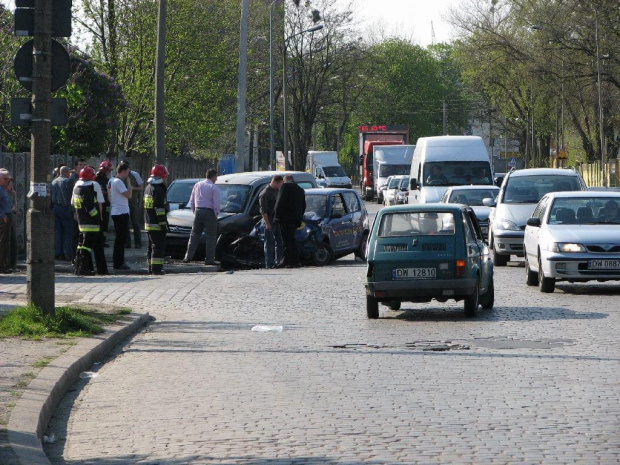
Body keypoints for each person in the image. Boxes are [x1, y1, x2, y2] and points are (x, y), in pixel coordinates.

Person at [72, 166, 108, 276]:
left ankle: (79, 267)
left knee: (81, 245)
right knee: (90, 246)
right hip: (91, 223)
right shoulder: (90, 188)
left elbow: (74, 204)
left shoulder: (77, 187)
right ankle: (87, 268)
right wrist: (99, 218)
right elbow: (94, 207)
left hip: (81, 222)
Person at [183, 168, 221, 265]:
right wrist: (216, 214)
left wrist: (194, 211)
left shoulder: (197, 185)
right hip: (209, 212)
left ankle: (187, 257)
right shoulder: (214, 188)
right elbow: (216, 203)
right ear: (213, 176)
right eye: (216, 177)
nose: (216, 179)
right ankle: (209, 259)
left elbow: (191, 200)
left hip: (198, 210)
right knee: (211, 236)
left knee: (194, 235)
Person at [274, 174, 306, 268]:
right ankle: (287, 260)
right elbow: (303, 205)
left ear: (285, 180)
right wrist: (299, 217)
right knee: (290, 239)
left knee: (287, 240)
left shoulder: (285, 186)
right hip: (296, 219)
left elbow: (280, 202)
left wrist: (276, 216)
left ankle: (293, 261)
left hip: (285, 218)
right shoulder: (300, 189)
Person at [108, 164, 135, 270]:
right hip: (121, 212)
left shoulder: (111, 180)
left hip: (115, 210)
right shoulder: (118, 182)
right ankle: (119, 263)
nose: (128, 174)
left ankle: (118, 262)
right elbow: (129, 195)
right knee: (121, 239)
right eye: (127, 172)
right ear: (123, 171)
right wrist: (129, 183)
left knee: (119, 238)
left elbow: (109, 197)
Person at [144, 164, 169, 275]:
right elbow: (159, 209)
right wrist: (163, 224)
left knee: (150, 246)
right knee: (158, 247)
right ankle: (157, 269)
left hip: (148, 222)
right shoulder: (159, 190)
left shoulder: (148, 188)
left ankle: (151, 267)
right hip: (157, 224)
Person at [259, 175, 284, 269]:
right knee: (269, 242)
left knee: (279, 242)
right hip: (269, 218)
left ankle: (279, 262)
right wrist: (267, 223)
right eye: (280, 184)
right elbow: (263, 210)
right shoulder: (265, 193)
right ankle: (269, 264)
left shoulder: (277, 191)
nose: (280, 186)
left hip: (276, 219)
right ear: (276, 182)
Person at [51, 165, 74, 261]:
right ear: (66, 172)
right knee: (68, 232)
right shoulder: (67, 181)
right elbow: (70, 195)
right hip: (65, 208)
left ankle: (57, 253)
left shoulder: (53, 181)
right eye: (69, 172)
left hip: (55, 207)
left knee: (58, 231)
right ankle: (68, 253)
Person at [120, 160, 144, 249]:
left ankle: (138, 243)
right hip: (122, 202)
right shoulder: (119, 176)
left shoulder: (134, 174)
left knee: (135, 223)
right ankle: (127, 243)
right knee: (125, 223)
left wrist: (132, 188)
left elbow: (141, 187)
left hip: (133, 202)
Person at [68, 158, 87, 260]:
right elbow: (71, 197)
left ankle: (80, 256)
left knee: (81, 235)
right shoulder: (73, 179)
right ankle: (74, 257)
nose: (82, 167)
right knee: (75, 235)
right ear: (76, 167)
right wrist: (75, 212)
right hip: (75, 212)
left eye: (84, 165)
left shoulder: (84, 178)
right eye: (80, 165)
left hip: (83, 211)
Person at [96, 161, 113, 247]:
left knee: (105, 223)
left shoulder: (107, 180)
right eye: (108, 170)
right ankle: (98, 240)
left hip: (106, 204)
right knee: (99, 222)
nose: (109, 172)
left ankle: (103, 240)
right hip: (98, 204)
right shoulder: (95, 179)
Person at [0, 169, 14, 273]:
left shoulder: (3, 189)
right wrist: (2, 215)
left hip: (7, 215)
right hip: (3, 218)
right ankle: (2, 265)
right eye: (5, 179)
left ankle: (5, 264)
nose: (7, 181)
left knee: (6, 242)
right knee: (3, 242)